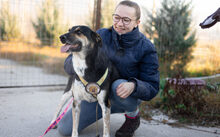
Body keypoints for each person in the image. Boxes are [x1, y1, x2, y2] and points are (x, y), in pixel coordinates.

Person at [58, 1, 160, 137]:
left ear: (137, 22)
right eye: (116, 17)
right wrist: (78, 65)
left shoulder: (146, 47)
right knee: (64, 129)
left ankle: (133, 117)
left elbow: (152, 86)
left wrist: (134, 85)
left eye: (126, 20)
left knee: (117, 86)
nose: (119, 23)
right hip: (96, 92)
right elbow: (69, 64)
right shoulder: (101, 35)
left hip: (123, 96)